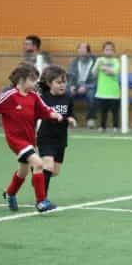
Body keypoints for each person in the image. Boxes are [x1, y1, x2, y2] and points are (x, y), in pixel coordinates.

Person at [0, 62, 63, 212]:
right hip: (16, 140)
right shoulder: (9, 96)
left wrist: (55, 115)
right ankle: (41, 202)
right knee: (38, 164)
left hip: (29, 139)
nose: (35, 84)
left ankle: (10, 193)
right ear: (22, 80)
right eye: (33, 80)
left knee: (23, 172)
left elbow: (45, 110)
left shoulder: (34, 96)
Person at [37, 65, 77, 196]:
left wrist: (71, 119)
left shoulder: (68, 97)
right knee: (48, 166)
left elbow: (70, 114)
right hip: (46, 137)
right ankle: (42, 199)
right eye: (58, 82)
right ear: (49, 83)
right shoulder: (42, 98)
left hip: (61, 139)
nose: (62, 85)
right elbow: (34, 115)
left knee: (54, 171)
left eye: (64, 82)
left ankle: (37, 171)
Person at [93, 41, 120, 132]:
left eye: (111, 49)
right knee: (103, 112)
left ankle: (115, 127)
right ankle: (102, 126)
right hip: (101, 92)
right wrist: (98, 65)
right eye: (106, 49)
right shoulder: (99, 60)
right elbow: (94, 73)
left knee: (115, 112)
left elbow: (114, 72)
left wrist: (104, 67)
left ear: (114, 51)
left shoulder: (116, 61)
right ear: (103, 51)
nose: (108, 51)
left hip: (114, 92)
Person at [68, 43, 97, 128]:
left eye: (83, 49)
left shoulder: (95, 61)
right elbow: (70, 76)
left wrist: (86, 87)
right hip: (76, 85)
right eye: (79, 49)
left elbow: (96, 79)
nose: (81, 51)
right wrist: (71, 86)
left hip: (89, 86)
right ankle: (72, 119)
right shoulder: (74, 61)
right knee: (66, 94)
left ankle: (91, 119)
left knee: (92, 95)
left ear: (88, 51)